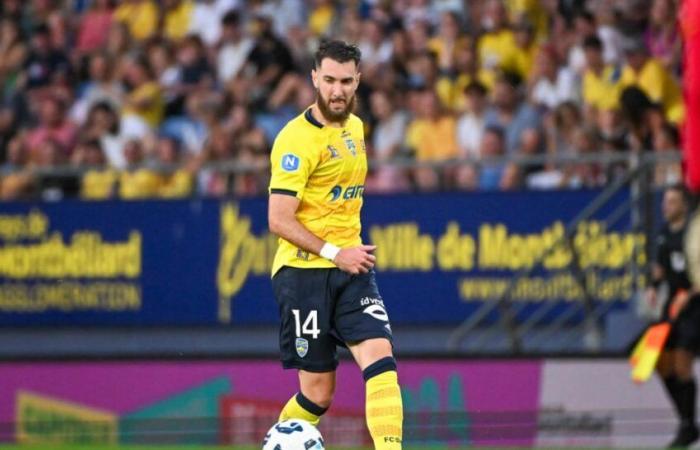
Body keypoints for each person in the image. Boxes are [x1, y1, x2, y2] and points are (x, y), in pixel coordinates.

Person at [267, 40, 403, 450]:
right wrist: (334, 253)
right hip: (302, 274)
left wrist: (346, 254)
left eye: (346, 81)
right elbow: (278, 219)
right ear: (314, 79)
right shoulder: (295, 140)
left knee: (381, 360)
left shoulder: (357, 127)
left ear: (358, 81)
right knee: (318, 394)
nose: (337, 90)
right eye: (329, 80)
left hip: (352, 268)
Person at [647, 184, 700, 448]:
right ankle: (686, 420)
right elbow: (659, 269)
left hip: (693, 305)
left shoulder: (694, 234)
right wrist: (652, 287)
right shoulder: (664, 234)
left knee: (681, 364)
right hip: (672, 306)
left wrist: (688, 295)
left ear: (684, 205)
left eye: (672, 202)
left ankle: (688, 426)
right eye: (665, 201)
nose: (665, 206)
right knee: (653, 358)